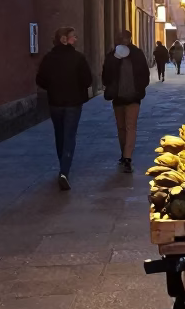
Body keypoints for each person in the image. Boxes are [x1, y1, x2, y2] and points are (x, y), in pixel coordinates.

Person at [35, 26, 93, 191]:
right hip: (73, 103)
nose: (76, 39)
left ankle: (63, 166)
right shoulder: (78, 58)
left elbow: (40, 80)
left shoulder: (48, 58)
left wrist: (53, 87)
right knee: (69, 136)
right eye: (73, 37)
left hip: (55, 103)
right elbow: (87, 80)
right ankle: (64, 171)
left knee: (59, 135)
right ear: (64, 39)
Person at [101, 30, 150, 173]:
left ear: (129, 39)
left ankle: (127, 157)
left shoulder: (137, 54)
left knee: (129, 126)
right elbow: (106, 75)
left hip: (132, 97)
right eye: (121, 38)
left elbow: (144, 75)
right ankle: (124, 154)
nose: (123, 40)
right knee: (122, 127)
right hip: (119, 97)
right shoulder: (113, 56)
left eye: (125, 38)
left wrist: (139, 88)